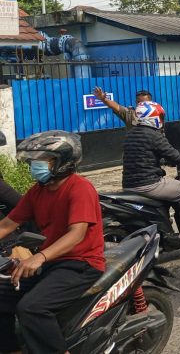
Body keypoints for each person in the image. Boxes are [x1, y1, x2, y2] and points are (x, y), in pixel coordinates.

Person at [0, 131, 105, 354]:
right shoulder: (38, 191)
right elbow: (7, 224)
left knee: (31, 308)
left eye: (41, 160)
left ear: (61, 162)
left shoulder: (80, 188)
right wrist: (42, 258)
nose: (34, 166)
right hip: (51, 263)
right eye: (33, 161)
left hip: (80, 264)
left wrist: (39, 257)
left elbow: (76, 234)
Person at [123, 101, 180, 240]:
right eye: (160, 116)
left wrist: (162, 161)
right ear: (152, 118)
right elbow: (175, 156)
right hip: (148, 184)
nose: (162, 120)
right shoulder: (154, 135)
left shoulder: (131, 134)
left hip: (129, 184)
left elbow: (143, 155)